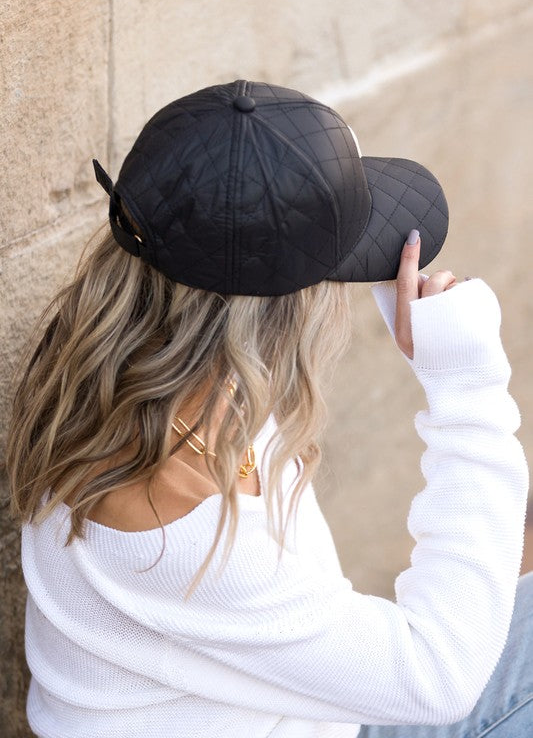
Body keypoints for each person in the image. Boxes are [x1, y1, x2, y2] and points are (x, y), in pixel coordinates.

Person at [6, 80, 531, 738]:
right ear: (281, 309)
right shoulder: (174, 526)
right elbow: (438, 679)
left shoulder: (144, 374)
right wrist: (465, 385)